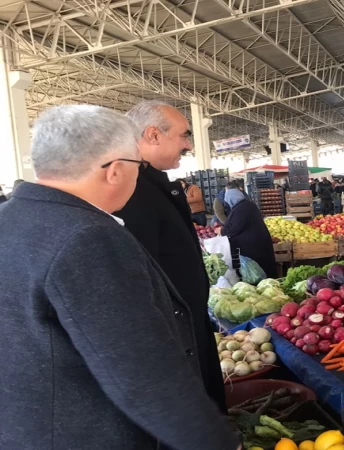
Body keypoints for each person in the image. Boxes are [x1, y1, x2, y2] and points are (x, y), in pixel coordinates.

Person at [0, 105, 238, 449]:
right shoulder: (88, 238)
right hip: (87, 433)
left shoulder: (9, 219)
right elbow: (142, 374)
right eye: (135, 166)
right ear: (114, 171)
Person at [115, 101, 227, 412]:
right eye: (184, 135)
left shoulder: (151, 185)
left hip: (187, 328)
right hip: (173, 340)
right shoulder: (131, 191)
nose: (189, 144)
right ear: (152, 135)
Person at [222, 189, 277, 278]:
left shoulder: (241, 209)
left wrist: (222, 231)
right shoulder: (248, 205)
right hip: (258, 243)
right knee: (264, 267)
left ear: (231, 199)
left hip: (252, 246)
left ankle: (257, 282)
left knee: (256, 270)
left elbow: (235, 228)